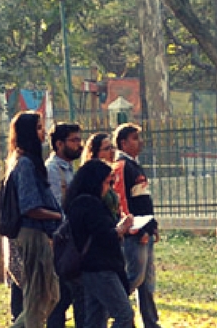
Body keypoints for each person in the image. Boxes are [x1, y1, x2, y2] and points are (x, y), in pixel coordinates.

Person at [6, 113, 62, 328]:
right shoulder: (25, 164)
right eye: (39, 128)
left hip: (41, 233)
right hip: (32, 233)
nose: (44, 132)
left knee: (51, 294)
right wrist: (57, 215)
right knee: (37, 299)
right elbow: (30, 207)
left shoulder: (26, 162)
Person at [65, 159, 134, 328]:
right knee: (124, 314)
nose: (108, 188)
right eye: (106, 183)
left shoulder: (78, 202)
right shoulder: (89, 204)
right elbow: (103, 235)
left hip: (90, 267)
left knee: (95, 318)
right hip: (100, 266)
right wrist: (121, 228)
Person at [112, 123, 159, 328]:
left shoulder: (135, 165)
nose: (140, 142)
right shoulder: (122, 165)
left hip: (145, 230)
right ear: (123, 142)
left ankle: (151, 323)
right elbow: (122, 200)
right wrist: (135, 229)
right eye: (135, 138)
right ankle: (114, 310)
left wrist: (152, 226)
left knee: (147, 283)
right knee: (134, 278)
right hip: (135, 233)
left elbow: (143, 200)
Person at [46, 123, 83, 328]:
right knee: (61, 299)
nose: (79, 144)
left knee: (69, 297)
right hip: (61, 242)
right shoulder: (52, 170)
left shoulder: (69, 169)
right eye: (74, 140)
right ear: (59, 144)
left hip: (71, 240)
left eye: (79, 139)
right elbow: (56, 207)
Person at [84, 133, 121, 219]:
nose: (112, 151)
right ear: (95, 153)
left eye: (113, 147)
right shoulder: (91, 176)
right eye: (107, 148)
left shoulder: (110, 174)